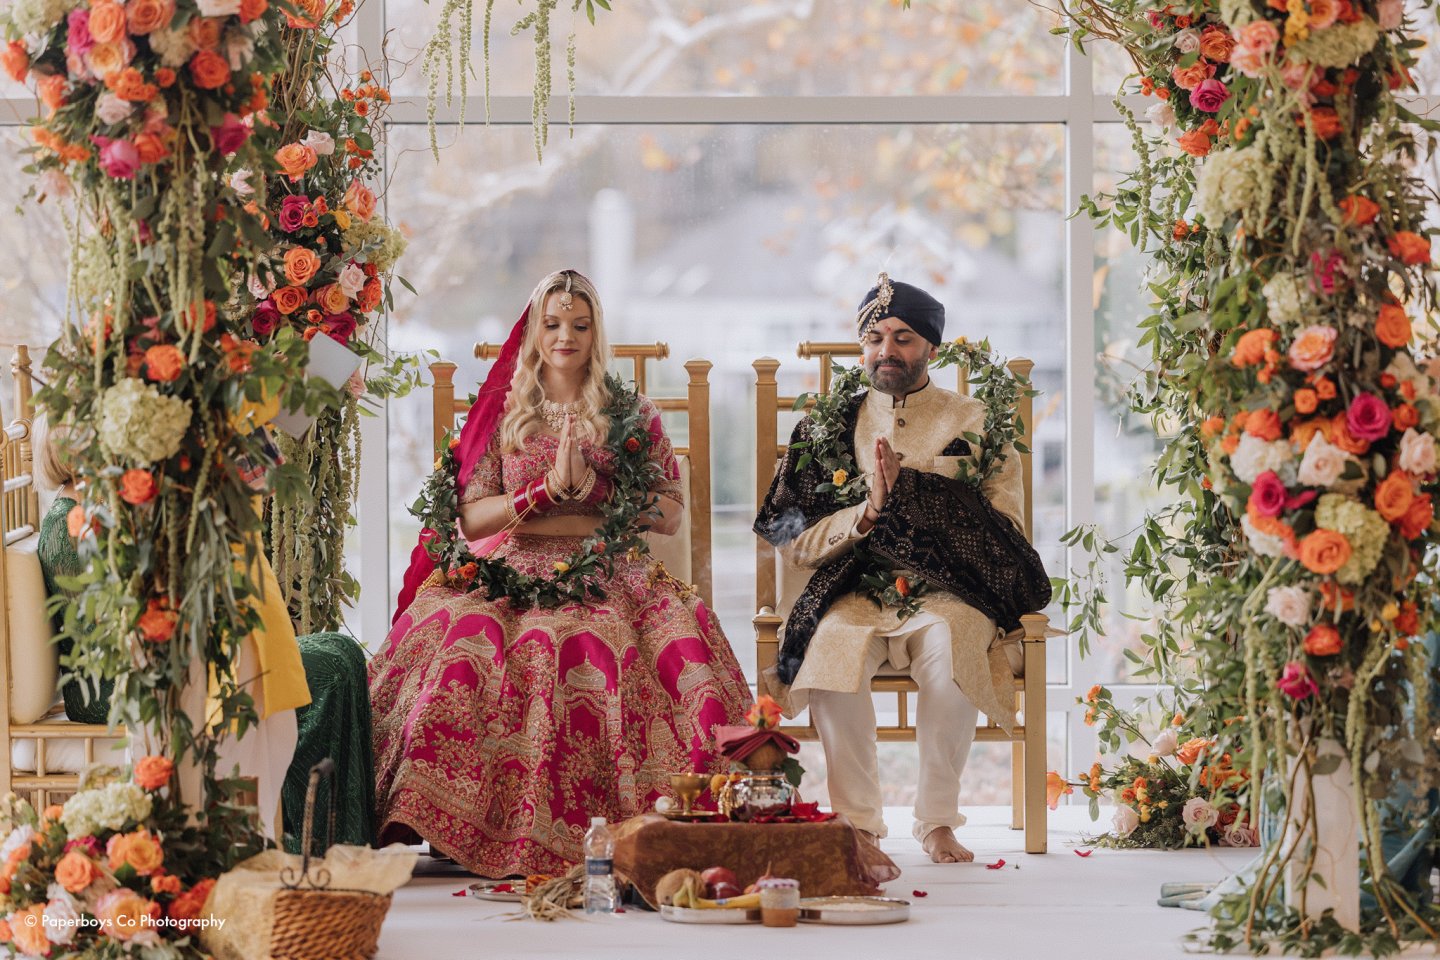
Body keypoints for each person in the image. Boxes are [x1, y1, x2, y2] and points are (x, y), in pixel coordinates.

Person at [371, 269, 751, 878]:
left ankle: (656, 825)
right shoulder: (504, 411)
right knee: (464, 645)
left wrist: (598, 489)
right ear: (534, 330)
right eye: (552, 324)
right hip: (511, 566)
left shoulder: (632, 412)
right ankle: (459, 822)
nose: (564, 336)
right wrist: (539, 495)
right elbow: (471, 520)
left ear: (596, 330)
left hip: (610, 567)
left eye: (579, 324)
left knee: (639, 646)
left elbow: (672, 514)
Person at [754, 274, 1049, 864]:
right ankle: (858, 827)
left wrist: (912, 497)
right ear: (861, 346)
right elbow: (791, 538)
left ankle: (937, 822)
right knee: (832, 649)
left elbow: (1006, 533)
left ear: (931, 347)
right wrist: (867, 514)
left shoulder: (974, 420)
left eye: (904, 337)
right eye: (875, 336)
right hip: (850, 590)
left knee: (955, 645)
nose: (886, 350)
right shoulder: (827, 423)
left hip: (947, 593)